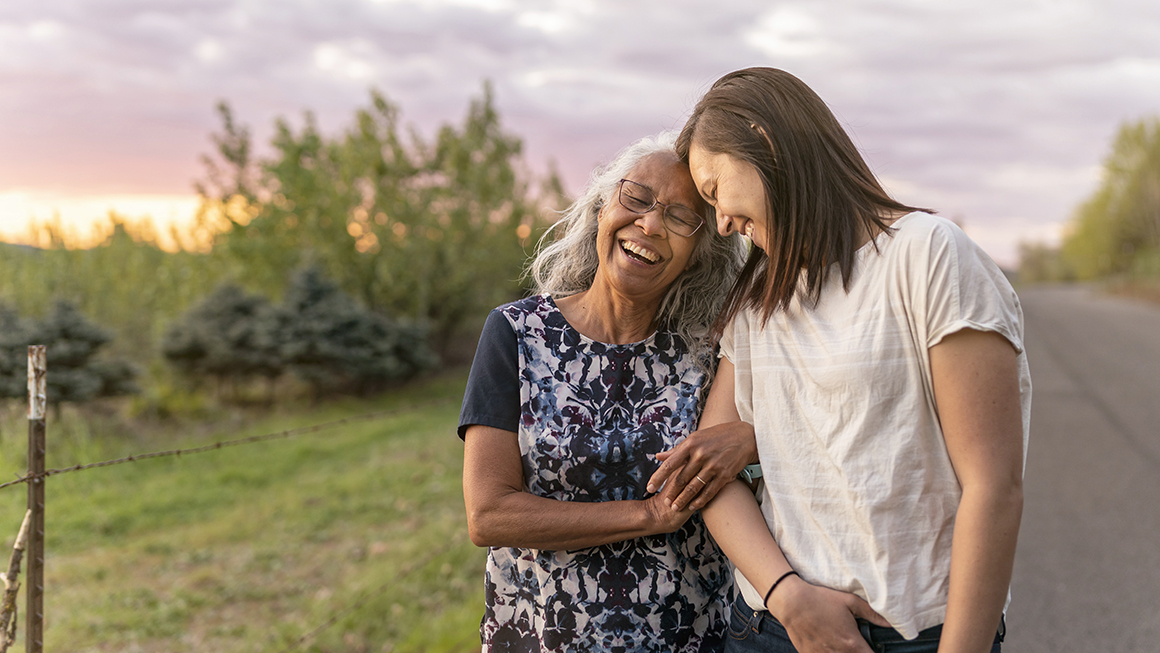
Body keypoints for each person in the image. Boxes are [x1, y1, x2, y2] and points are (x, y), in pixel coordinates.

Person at [650, 67, 1032, 653]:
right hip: (774, 631)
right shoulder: (758, 301)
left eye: (714, 189)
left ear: (764, 139)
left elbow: (993, 487)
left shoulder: (928, 256)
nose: (721, 222)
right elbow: (710, 475)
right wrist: (786, 595)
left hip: (916, 633)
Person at [458, 131, 749, 652]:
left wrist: (749, 439)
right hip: (544, 637)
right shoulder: (516, 333)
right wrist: (651, 515)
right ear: (600, 208)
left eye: (681, 218)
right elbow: (489, 513)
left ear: (701, 253)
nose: (651, 224)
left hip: (689, 639)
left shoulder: (715, 350)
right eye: (636, 198)